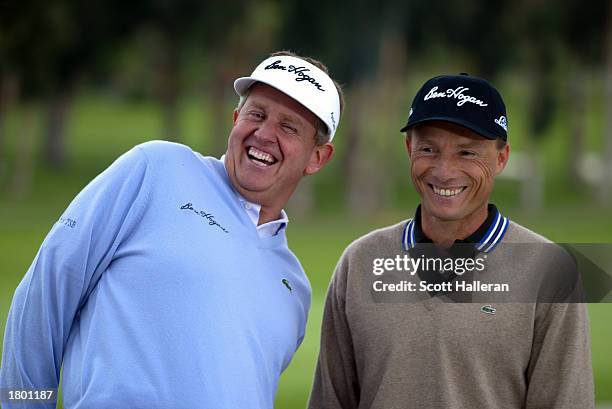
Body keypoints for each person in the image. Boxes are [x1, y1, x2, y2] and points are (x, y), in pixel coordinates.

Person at [0, 50, 344, 409]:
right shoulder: (157, 169)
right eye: (257, 114)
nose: (264, 133)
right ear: (235, 117)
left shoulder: (294, 289)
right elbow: (47, 289)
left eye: (288, 127)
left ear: (317, 157)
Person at [308, 74, 594, 408]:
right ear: (409, 149)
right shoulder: (359, 262)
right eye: (429, 149)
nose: (444, 171)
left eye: (467, 153)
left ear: (501, 158)